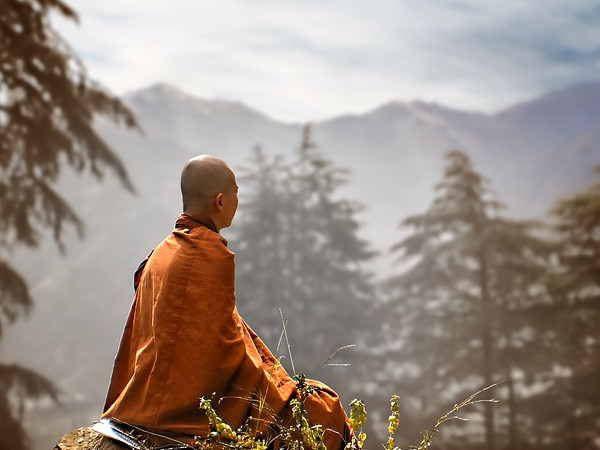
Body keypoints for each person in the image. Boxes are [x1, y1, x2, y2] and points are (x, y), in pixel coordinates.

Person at [101, 155, 352, 448]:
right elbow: (223, 348)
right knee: (321, 411)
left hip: (145, 394)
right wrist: (272, 381)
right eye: (235, 193)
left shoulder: (164, 250)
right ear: (220, 201)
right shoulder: (208, 255)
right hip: (183, 405)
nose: (237, 200)